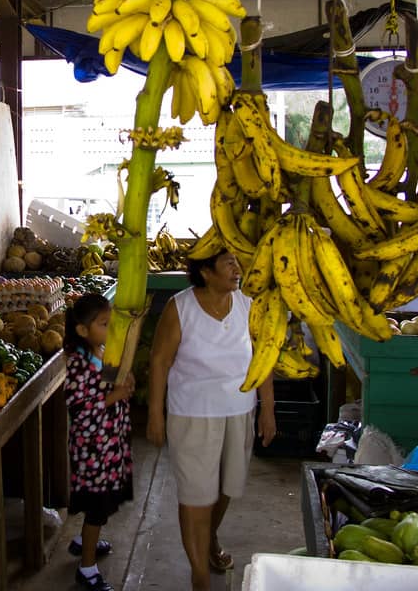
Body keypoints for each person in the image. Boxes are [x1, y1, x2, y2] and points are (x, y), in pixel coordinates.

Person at [146, 250, 277, 590]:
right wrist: (155, 414)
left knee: (226, 487)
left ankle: (210, 537)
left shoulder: (247, 303)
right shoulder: (181, 307)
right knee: (195, 494)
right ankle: (199, 572)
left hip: (239, 410)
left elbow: (263, 357)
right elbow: (159, 361)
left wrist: (268, 409)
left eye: (237, 262)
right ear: (206, 272)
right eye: (228, 264)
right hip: (192, 413)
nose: (238, 269)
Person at [64, 293, 135, 591]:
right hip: (93, 450)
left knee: (102, 500)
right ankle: (87, 568)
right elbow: (79, 407)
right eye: (105, 324)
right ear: (83, 330)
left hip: (109, 444)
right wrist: (114, 396)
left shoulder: (103, 351)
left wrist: (124, 380)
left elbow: (111, 381)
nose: (111, 329)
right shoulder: (77, 363)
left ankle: (85, 541)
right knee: (97, 505)